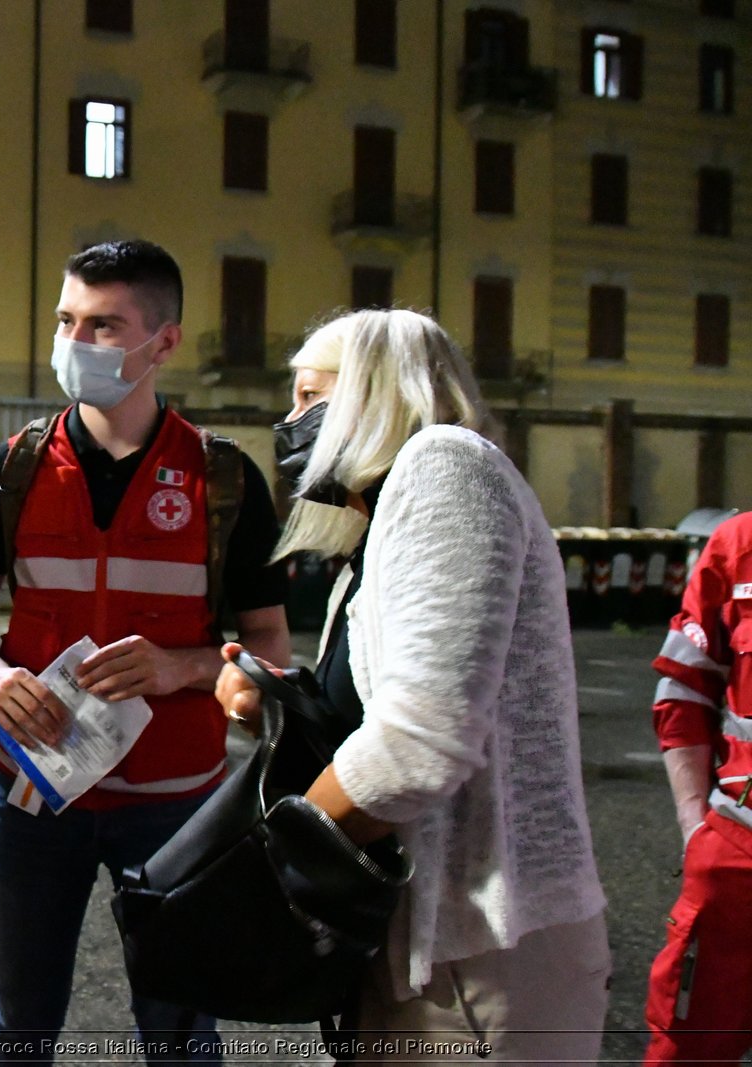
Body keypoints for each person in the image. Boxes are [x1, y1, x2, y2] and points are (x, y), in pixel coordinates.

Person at [216, 308, 609, 1063]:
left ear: (371, 392)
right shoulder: (374, 535)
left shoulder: (445, 466)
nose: (291, 422)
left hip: (478, 960)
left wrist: (267, 859)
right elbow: (384, 712)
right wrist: (280, 701)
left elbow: (415, 746)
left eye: (308, 396)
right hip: (422, 954)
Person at [0, 239, 291, 1065]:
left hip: (176, 803)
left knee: (179, 1032)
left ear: (162, 342)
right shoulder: (14, 467)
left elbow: (271, 642)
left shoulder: (226, 480)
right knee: (19, 1025)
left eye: (104, 325)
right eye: (67, 320)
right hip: (35, 792)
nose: (74, 342)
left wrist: (188, 666)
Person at [642, 510, 752, 1063]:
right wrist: (694, 826)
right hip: (737, 852)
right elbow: (684, 691)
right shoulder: (737, 545)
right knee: (688, 1047)